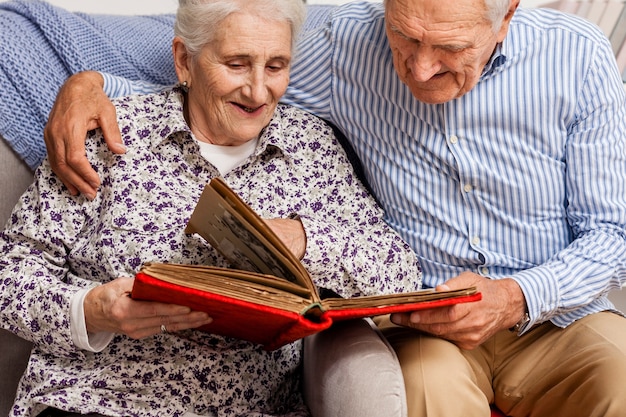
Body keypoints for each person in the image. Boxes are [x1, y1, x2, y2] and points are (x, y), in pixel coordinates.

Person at [40, 0, 626, 416]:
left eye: (449, 48)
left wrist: (513, 297)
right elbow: (221, 61)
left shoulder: (577, 58)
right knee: (425, 393)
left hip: (557, 313)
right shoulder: (349, 44)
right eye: (405, 38)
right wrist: (86, 84)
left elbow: (612, 234)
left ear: (508, 17)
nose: (419, 71)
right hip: (430, 326)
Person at [0, 0, 424, 416]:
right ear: (185, 61)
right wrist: (93, 309)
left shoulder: (311, 147)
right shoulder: (110, 138)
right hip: (97, 400)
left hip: (249, 406)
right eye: (237, 64)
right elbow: (11, 273)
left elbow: (399, 273)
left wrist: (304, 238)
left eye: (275, 66)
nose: (259, 91)